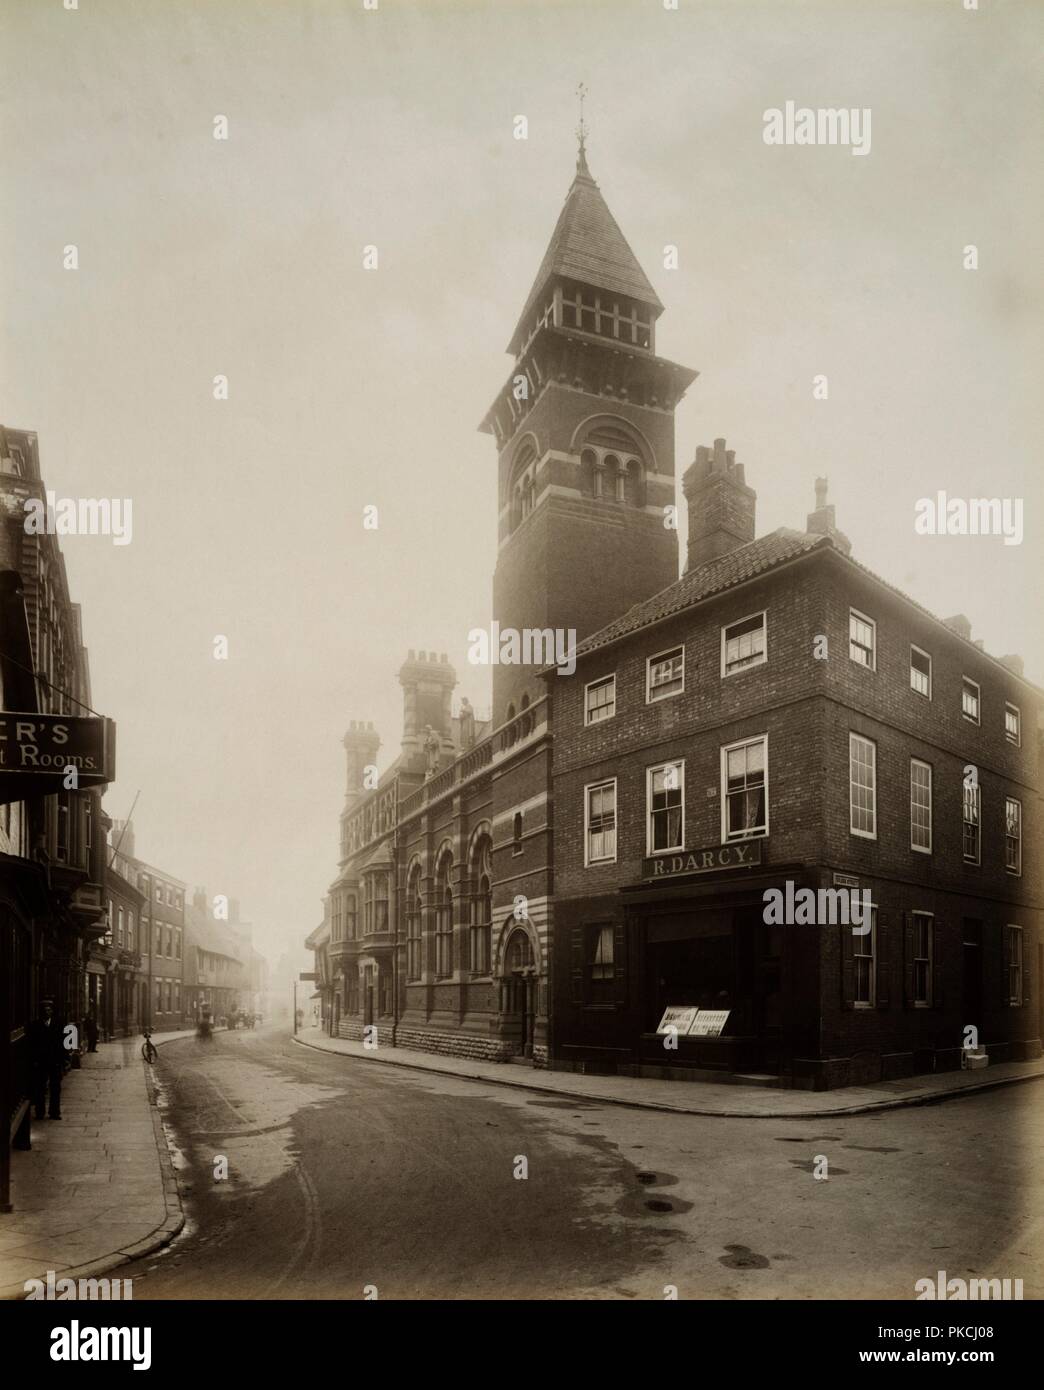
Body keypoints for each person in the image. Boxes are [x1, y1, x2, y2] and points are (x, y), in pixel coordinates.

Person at [28, 998, 66, 1120]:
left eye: (49, 1009)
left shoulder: (59, 1024)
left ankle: (54, 1112)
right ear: (41, 1011)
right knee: (40, 1087)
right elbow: (32, 1045)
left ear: (52, 1011)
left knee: (56, 1087)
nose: (47, 1011)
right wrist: (34, 1060)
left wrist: (64, 1059)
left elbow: (63, 1043)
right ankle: (40, 1112)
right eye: (44, 1009)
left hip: (55, 1061)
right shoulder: (35, 1025)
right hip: (41, 1061)